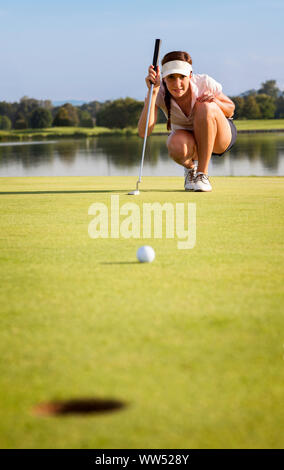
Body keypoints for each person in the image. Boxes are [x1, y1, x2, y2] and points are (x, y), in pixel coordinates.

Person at [138, 51, 237, 192]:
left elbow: (230, 109)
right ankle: (191, 169)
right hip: (191, 142)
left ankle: (202, 175)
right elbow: (144, 132)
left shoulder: (204, 82)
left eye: (182, 77)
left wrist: (214, 101)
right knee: (174, 143)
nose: (177, 84)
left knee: (205, 107)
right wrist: (152, 93)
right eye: (171, 77)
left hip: (219, 138)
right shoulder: (158, 92)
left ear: (190, 75)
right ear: (164, 78)